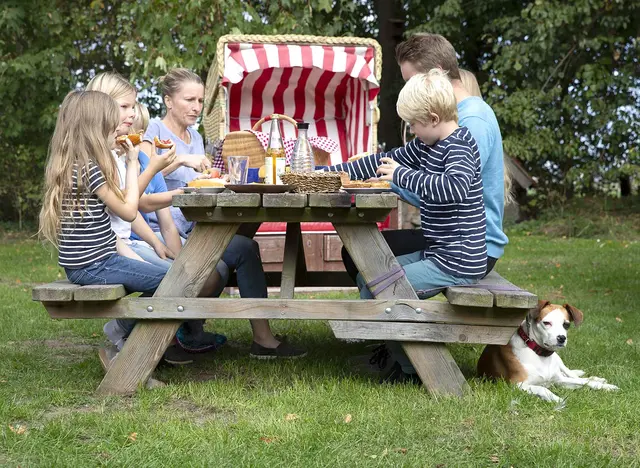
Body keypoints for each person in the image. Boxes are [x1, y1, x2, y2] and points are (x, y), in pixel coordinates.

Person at [328, 70, 487, 381]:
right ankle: (397, 358)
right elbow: (382, 162)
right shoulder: (428, 144)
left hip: (458, 260)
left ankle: (411, 369)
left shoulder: (460, 145)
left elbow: (452, 187)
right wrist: (328, 173)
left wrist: (402, 175)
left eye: (413, 124)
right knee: (367, 276)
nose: (412, 131)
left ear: (431, 117)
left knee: (381, 290)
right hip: (438, 253)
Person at [141, 68, 306, 359]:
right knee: (219, 267)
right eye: (189, 99)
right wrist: (182, 159)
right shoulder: (153, 131)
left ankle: (262, 338)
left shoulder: (193, 135)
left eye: (200, 101)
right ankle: (177, 333)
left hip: (195, 228)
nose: (196, 107)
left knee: (245, 247)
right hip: (161, 233)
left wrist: (216, 178)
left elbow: (195, 183)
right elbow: (142, 179)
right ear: (168, 101)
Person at [37, 90, 191, 365]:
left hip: (86, 262)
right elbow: (129, 210)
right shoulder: (91, 170)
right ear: (96, 129)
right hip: (95, 264)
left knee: (168, 279)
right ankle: (124, 351)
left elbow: (122, 204)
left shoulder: (73, 166)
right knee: (169, 282)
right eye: (111, 125)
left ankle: (126, 343)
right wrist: (136, 164)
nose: (117, 129)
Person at [341, 33, 509, 284]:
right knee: (357, 251)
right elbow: (394, 160)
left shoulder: (470, 123)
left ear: (437, 75)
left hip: (471, 246)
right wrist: (330, 172)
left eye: (411, 81)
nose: (408, 89)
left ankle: (398, 312)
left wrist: (393, 180)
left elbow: (447, 193)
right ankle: (395, 311)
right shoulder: (440, 122)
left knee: (362, 255)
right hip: (443, 236)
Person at [86, 72, 229, 354]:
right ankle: (134, 337)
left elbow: (128, 212)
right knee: (180, 279)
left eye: (132, 107)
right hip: (106, 252)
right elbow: (131, 209)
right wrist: (157, 169)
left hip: (129, 241)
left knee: (194, 272)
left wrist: (155, 243)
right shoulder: (107, 158)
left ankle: (162, 338)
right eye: (125, 107)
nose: (130, 115)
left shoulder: (117, 155)